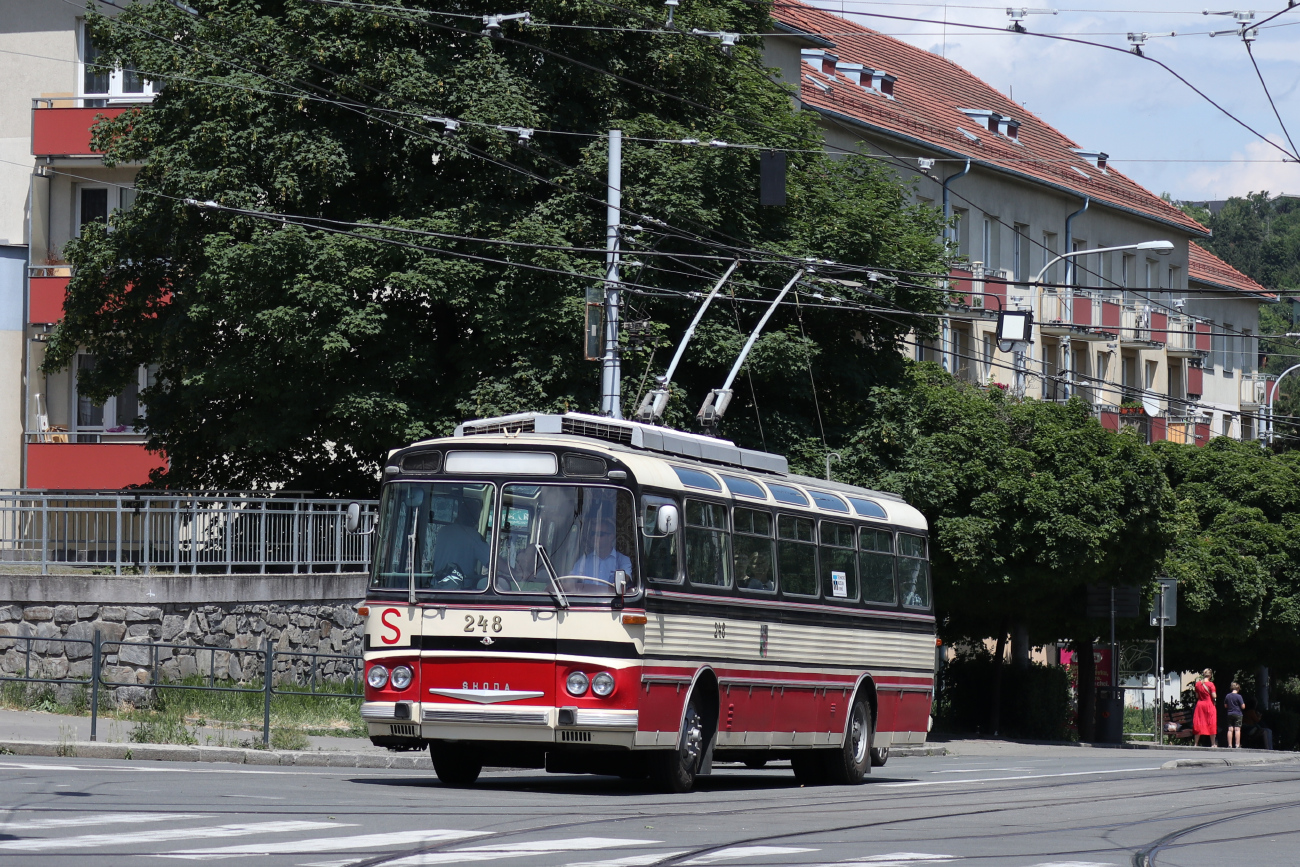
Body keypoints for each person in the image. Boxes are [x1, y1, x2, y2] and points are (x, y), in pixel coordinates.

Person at [428, 498, 491, 589]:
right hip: (459, 591)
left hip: (435, 588)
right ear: (475, 517)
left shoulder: (442, 531)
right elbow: (492, 561)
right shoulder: (473, 536)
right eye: (476, 515)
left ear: (459, 513)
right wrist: (514, 572)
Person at [568, 515, 633, 593]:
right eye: (593, 534)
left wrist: (620, 581)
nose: (595, 537)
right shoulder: (584, 560)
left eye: (600, 534)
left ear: (611, 537)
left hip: (611, 601)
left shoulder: (623, 560)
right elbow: (570, 580)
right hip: (587, 600)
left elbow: (626, 577)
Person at [1193, 668, 1218, 748]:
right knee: (1211, 722)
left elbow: (1197, 696)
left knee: (1199, 722)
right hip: (1209, 704)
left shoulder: (1197, 684)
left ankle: (1196, 743)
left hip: (1200, 704)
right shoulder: (1211, 685)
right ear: (1210, 675)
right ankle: (1213, 743)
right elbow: (1214, 696)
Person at [1224, 682, 1245, 748]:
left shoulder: (1228, 696)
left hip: (1230, 713)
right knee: (1237, 729)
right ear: (1238, 688)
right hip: (1238, 714)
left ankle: (1229, 745)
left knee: (1230, 729)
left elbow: (1225, 705)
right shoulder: (1239, 696)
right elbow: (1243, 706)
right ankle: (1237, 744)